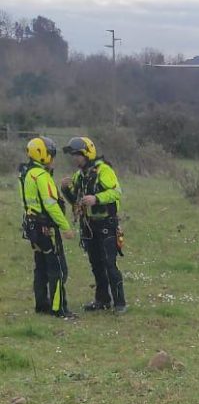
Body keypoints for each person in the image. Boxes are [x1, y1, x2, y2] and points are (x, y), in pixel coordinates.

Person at [61, 136, 127, 313]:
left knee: (109, 264)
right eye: (74, 155)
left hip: (106, 224)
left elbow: (116, 192)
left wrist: (96, 198)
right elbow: (76, 201)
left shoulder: (104, 170)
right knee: (96, 264)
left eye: (78, 155)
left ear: (87, 154)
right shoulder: (79, 175)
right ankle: (102, 300)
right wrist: (65, 189)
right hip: (88, 226)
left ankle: (120, 303)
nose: (75, 159)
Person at [18, 136, 75, 318]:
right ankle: (59, 309)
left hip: (32, 227)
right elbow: (51, 205)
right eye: (51, 155)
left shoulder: (26, 173)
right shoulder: (41, 176)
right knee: (58, 269)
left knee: (41, 267)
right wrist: (65, 227)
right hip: (45, 228)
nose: (53, 159)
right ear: (43, 155)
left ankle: (41, 305)